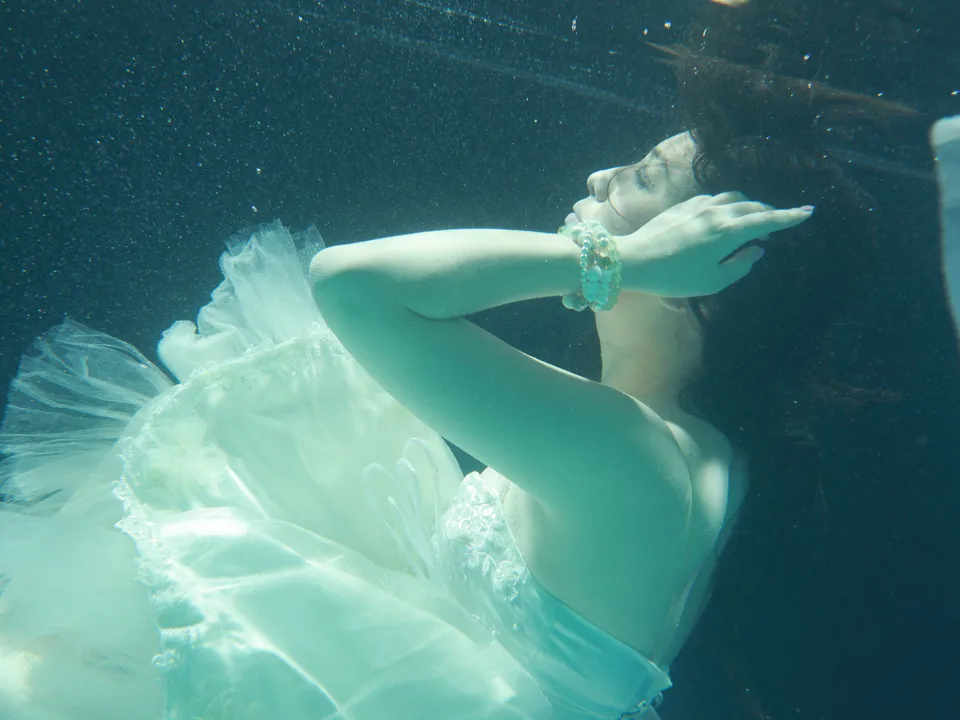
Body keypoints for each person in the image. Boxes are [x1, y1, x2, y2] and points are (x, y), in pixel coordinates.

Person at [0, 126, 812, 719]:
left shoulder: (635, 453)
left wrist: (626, 262)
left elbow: (352, 286)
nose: (600, 175)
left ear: (699, 275)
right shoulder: (696, 448)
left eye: (641, 178)